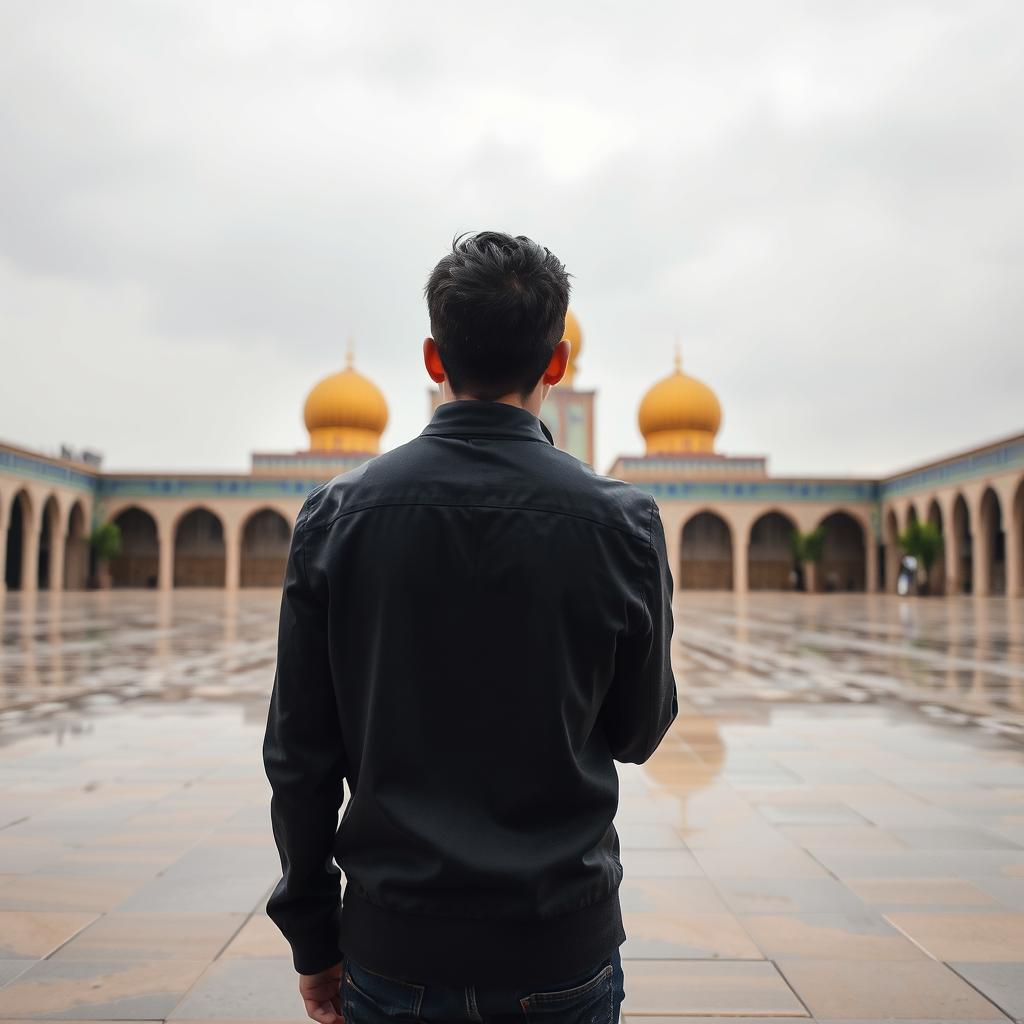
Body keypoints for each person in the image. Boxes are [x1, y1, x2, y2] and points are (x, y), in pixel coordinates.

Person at [263, 230, 679, 1024]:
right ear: (555, 363)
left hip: (394, 944)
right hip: (558, 942)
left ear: (433, 358)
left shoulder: (337, 516)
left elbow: (299, 755)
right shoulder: (623, 521)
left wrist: (314, 938)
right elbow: (638, 732)